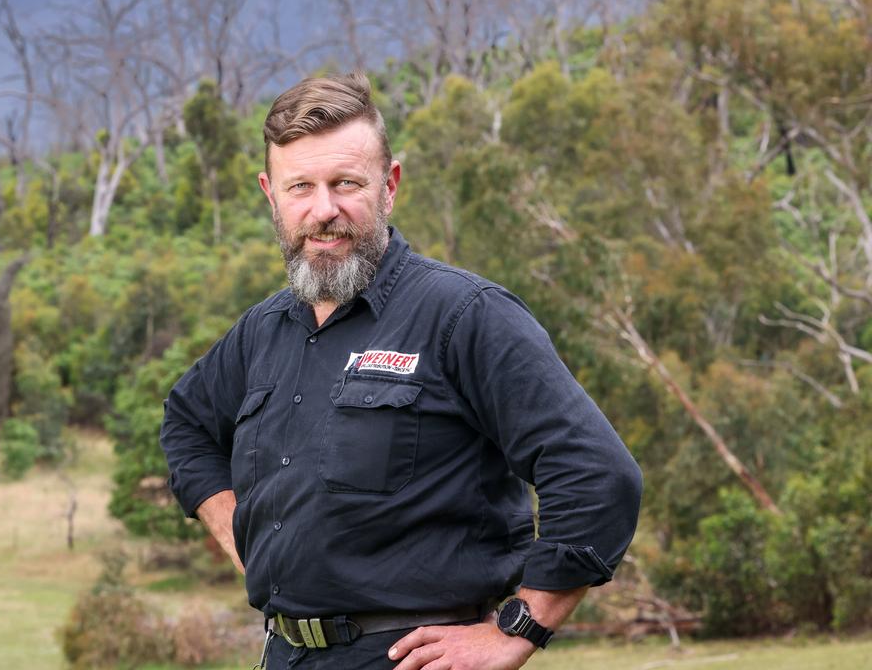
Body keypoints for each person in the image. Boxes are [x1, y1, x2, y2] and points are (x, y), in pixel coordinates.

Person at [159, 73, 642, 670]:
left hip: (411, 657)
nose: (323, 210)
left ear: (389, 185)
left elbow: (598, 475)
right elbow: (186, 421)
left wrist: (518, 629)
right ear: (270, 194)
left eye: (346, 184)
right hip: (284, 654)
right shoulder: (263, 330)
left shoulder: (465, 315)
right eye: (301, 187)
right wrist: (243, 538)